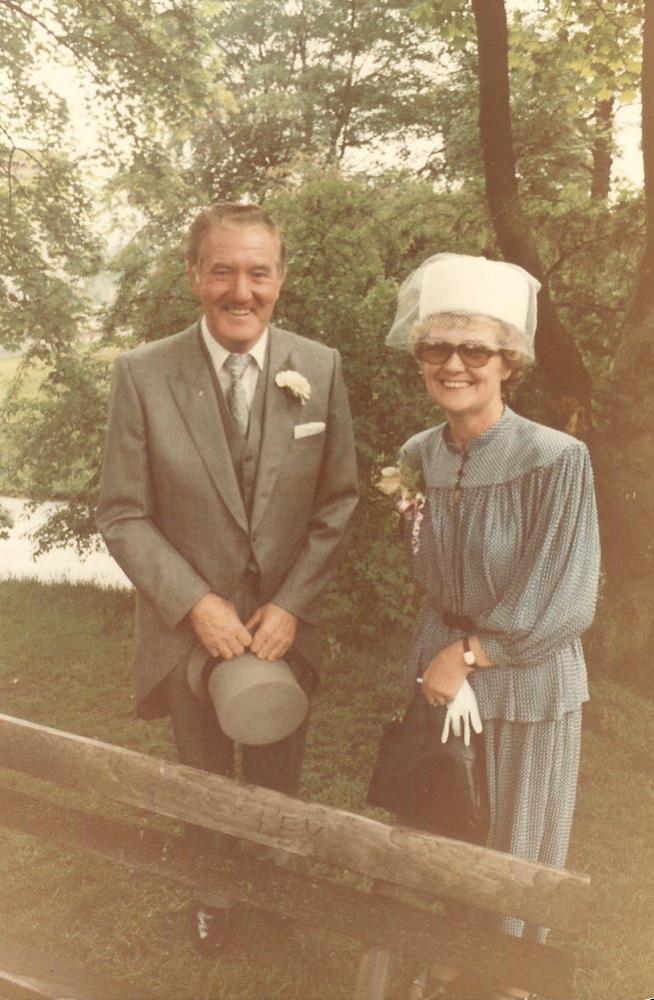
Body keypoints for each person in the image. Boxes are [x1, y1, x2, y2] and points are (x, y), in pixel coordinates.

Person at [96, 202, 358, 954]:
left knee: (279, 763)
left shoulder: (321, 367)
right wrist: (195, 603)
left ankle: (273, 887)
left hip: (285, 629)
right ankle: (213, 893)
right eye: (223, 271)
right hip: (190, 630)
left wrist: (293, 606)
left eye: (258, 273)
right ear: (194, 277)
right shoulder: (143, 375)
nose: (241, 291)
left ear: (281, 279)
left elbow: (337, 500)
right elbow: (121, 512)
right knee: (204, 773)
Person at [385, 253, 600, 1000]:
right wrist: (438, 657)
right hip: (441, 671)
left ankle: (507, 981)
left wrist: (473, 651)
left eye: (474, 348)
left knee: (514, 840)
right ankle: (448, 965)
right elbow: (429, 574)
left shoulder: (556, 459)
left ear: (509, 360)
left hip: (525, 680)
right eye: (436, 348)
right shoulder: (418, 456)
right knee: (446, 825)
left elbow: (566, 596)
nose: (454, 364)